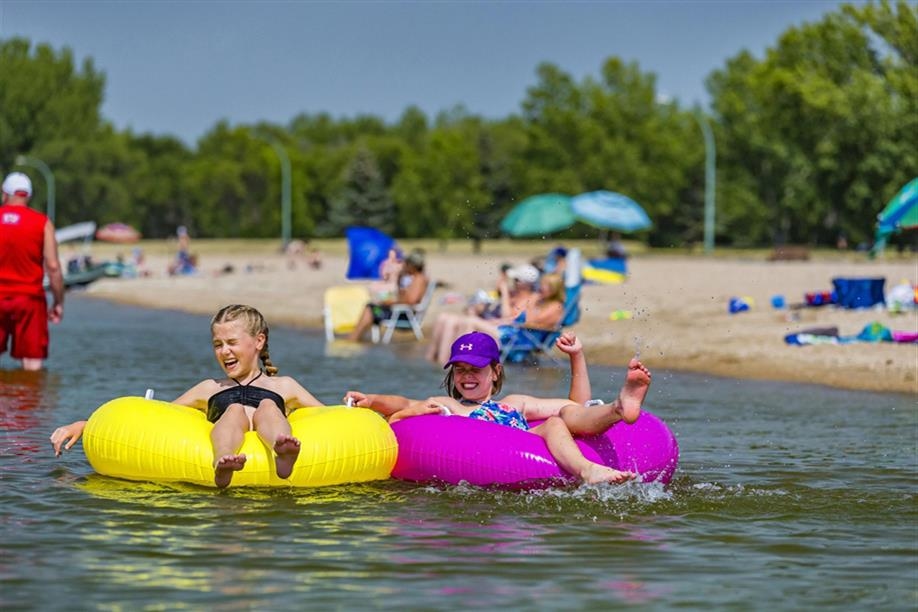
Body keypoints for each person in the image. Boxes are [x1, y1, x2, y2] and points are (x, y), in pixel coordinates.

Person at [49, 304, 324, 488]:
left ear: (259, 341)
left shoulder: (284, 386)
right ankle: (224, 460)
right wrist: (86, 425)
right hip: (231, 427)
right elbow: (157, 418)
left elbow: (327, 415)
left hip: (270, 425)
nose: (224, 351)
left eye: (232, 343)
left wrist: (362, 408)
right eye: (218, 344)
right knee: (234, 412)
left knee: (267, 406)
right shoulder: (210, 388)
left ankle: (282, 450)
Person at [345, 331, 651, 485]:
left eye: (475, 369)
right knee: (555, 423)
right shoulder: (450, 406)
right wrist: (371, 400)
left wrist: (577, 356)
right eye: (460, 370)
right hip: (493, 458)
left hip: (531, 448)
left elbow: (575, 405)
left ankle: (618, 407)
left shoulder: (513, 404)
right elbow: (404, 404)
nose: (467, 377)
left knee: (565, 414)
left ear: (495, 371)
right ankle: (587, 470)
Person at [0, 172, 65, 371]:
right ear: (27, 196)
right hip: (29, 300)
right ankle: (30, 401)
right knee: (31, 363)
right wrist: (58, 302)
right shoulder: (42, 223)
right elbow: (53, 267)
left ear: (5, 194)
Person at [425, 263, 542, 364]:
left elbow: (507, 317)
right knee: (445, 318)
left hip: (508, 334)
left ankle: (461, 359)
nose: (514, 283)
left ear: (526, 284)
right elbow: (490, 306)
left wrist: (505, 292)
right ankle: (437, 360)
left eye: (516, 280)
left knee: (469, 321)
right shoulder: (513, 294)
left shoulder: (531, 298)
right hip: (494, 325)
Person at [347, 248, 429, 342]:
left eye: (406, 264)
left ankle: (353, 338)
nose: (404, 266)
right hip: (400, 312)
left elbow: (411, 300)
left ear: (412, 266)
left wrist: (391, 302)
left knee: (370, 308)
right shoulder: (414, 278)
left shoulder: (418, 279)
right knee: (372, 307)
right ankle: (356, 338)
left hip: (403, 315)